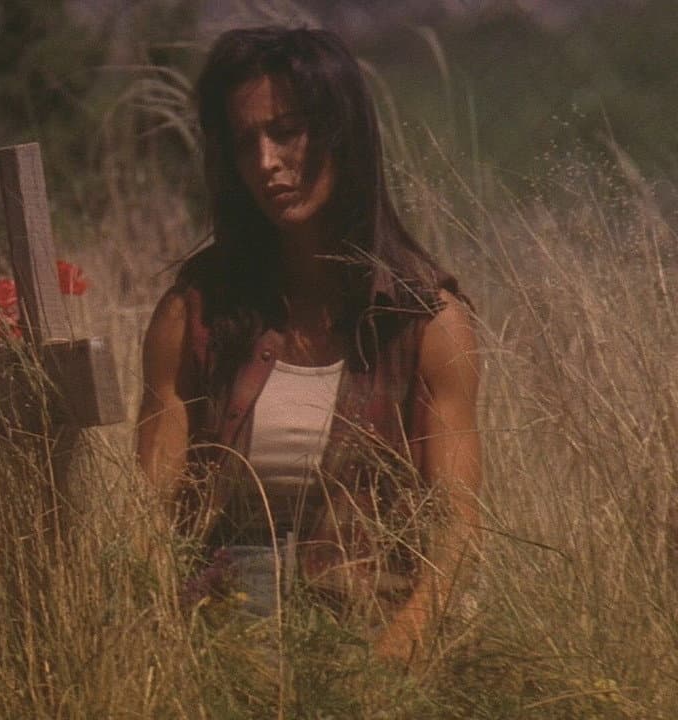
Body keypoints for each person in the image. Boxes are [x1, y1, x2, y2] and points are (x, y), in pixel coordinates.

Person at [136, 26, 481, 663]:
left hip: (372, 639)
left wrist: (390, 661)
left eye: (287, 131)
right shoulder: (197, 314)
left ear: (343, 133)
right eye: (245, 142)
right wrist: (170, 653)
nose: (266, 162)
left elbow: (459, 530)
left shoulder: (423, 321)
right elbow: (151, 518)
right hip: (222, 643)